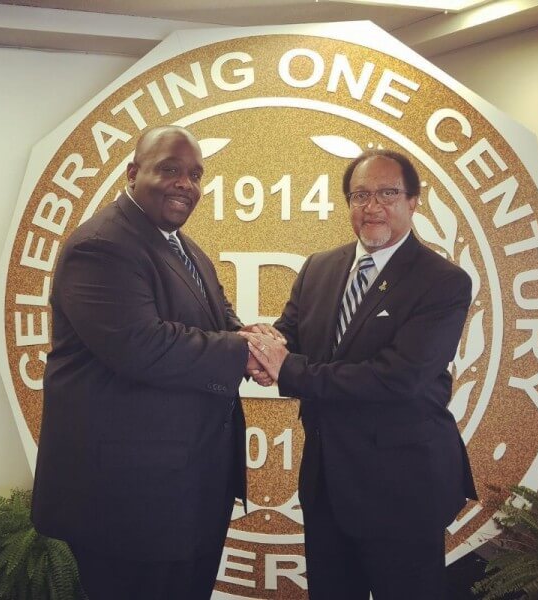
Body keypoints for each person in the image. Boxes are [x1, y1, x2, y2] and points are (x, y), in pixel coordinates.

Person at [31, 125, 277, 600]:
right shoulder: (100, 246)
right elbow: (142, 346)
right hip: (128, 500)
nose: (186, 183)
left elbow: (219, 320)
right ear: (132, 173)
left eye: (195, 174)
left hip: (188, 488)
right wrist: (245, 352)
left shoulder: (187, 250)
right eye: (170, 170)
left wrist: (252, 338)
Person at [242, 149, 477, 600]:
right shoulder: (319, 267)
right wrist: (253, 343)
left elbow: (396, 378)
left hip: (402, 488)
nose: (372, 207)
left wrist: (284, 367)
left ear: (414, 201)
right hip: (328, 482)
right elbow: (290, 334)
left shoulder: (443, 282)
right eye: (360, 195)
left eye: (388, 193)